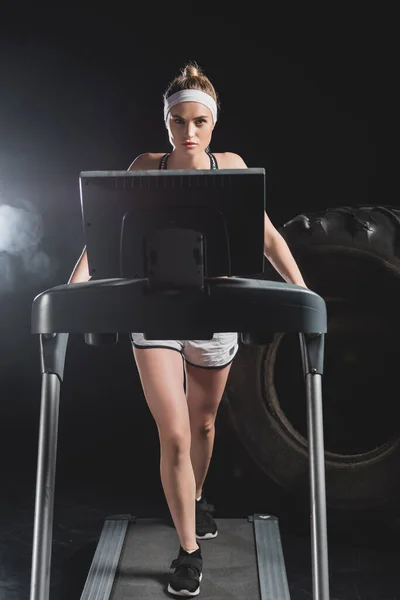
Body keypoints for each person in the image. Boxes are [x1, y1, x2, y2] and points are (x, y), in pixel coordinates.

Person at [68, 62, 307, 597]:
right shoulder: (144, 166)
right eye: (180, 122)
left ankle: (196, 501)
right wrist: (71, 288)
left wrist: (301, 287)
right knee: (173, 432)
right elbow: (101, 236)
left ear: (214, 123)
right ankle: (188, 551)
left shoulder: (232, 166)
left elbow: (266, 237)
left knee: (201, 426)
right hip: (153, 315)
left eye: (200, 121)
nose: (190, 132)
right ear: (167, 122)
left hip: (214, 315)